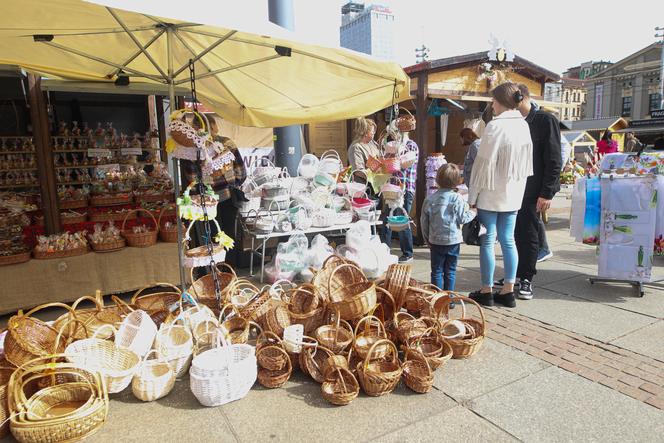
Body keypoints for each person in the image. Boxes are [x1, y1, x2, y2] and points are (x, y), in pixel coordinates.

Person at [468, 82, 533, 308]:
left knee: (487, 241)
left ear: (501, 101)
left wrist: (472, 197)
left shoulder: (495, 127)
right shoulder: (523, 126)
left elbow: (482, 165)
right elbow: (526, 166)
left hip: (490, 191)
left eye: (493, 101)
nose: (491, 105)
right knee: (508, 240)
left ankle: (486, 290)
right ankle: (508, 290)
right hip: (513, 192)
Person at [501, 84, 561, 300]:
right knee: (513, 235)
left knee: (528, 233)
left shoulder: (545, 120)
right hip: (512, 188)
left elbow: (554, 159)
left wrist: (547, 192)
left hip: (534, 190)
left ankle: (526, 277)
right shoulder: (513, 123)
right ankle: (514, 274)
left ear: (520, 99)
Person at [420, 164, 476, 290]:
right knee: (450, 270)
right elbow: (463, 218)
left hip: (435, 240)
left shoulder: (430, 199)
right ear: (457, 181)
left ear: (437, 179)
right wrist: (473, 212)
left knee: (436, 271)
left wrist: (427, 238)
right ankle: (448, 298)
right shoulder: (458, 198)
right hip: (453, 240)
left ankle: (437, 300)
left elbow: (424, 221)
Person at [382, 119, 418, 263]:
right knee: (387, 218)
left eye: (394, 133)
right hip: (392, 188)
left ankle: (408, 252)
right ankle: (384, 249)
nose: (393, 137)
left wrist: (394, 154)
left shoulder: (411, 146)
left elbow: (404, 164)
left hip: (405, 188)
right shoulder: (393, 146)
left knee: (401, 219)